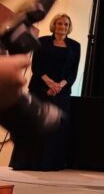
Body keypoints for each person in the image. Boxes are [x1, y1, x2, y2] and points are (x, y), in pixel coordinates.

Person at [9, 13, 80, 171]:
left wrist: (58, 86)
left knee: (56, 127)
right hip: (40, 89)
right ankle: (27, 163)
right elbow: (36, 67)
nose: (63, 27)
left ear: (69, 28)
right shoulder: (42, 42)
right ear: (54, 25)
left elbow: (72, 73)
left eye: (66, 24)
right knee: (34, 124)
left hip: (61, 92)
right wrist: (50, 83)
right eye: (60, 23)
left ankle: (51, 164)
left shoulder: (75, 46)